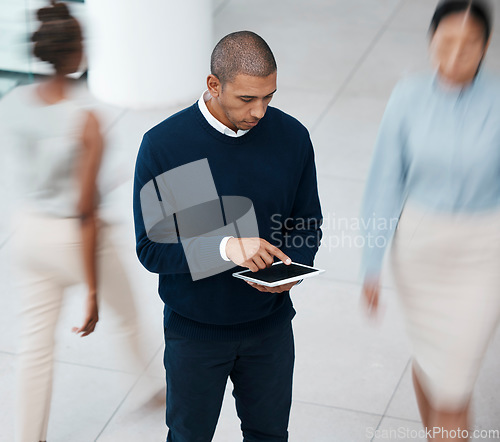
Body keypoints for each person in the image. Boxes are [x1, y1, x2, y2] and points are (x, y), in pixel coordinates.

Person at [133, 31, 322, 441]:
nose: (260, 111)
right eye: (246, 99)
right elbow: (151, 249)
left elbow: (306, 222)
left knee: (270, 434)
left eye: (268, 97)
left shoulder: (292, 138)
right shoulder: (165, 146)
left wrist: (292, 268)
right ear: (213, 85)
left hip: (269, 329)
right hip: (194, 334)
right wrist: (225, 248)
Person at [0, 2, 143, 441]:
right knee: (128, 312)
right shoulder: (86, 119)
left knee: (35, 349)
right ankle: (157, 386)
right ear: (76, 51)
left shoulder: (13, 102)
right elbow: (84, 208)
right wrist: (92, 292)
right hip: (75, 237)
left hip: (28, 233)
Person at [360, 1, 498, 440]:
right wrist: (371, 262)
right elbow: (385, 181)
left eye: (469, 43)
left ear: (486, 46)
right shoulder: (408, 97)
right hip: (420, 253)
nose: (455, 54)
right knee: (433, 359)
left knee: (453, 389)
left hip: (483, 252)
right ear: (430, 40)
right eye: (446, 41)